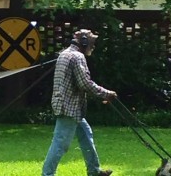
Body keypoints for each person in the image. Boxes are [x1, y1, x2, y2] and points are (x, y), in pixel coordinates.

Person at [42, 29, 117, 176]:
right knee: (60, 143)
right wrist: (106, 94)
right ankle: (47, 174)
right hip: (69, 107)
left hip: (69, 106)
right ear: (83, 42)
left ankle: (94, 171)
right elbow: (85, 83)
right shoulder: (77, 57)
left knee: (86, 134)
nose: (93, 47)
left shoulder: (64, 54)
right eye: (91, 43)